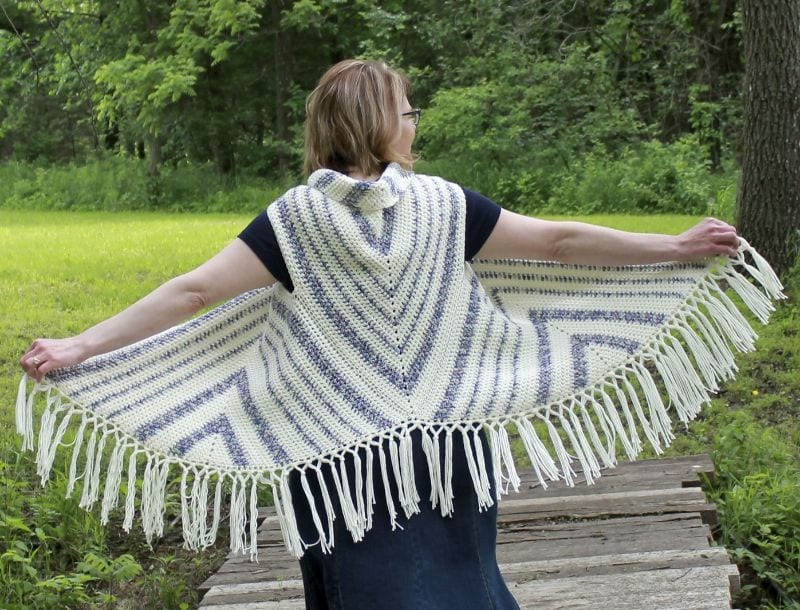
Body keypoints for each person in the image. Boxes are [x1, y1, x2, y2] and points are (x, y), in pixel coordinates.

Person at [20, 59, 739, 609]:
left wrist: (81, 346)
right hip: (440, 443)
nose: (414, 121)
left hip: (342, 457)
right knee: (463, 586)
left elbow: (195, 291)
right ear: (374, 123)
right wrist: (671, 246)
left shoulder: (296, 218)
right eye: (406, 110)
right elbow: (558, 243)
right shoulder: (443, 205)